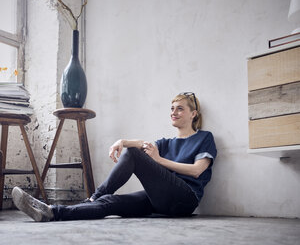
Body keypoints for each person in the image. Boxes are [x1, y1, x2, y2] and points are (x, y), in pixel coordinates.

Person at [12, 92, 217, 221]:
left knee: (132, 156)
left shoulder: (204, 138)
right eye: (172, 108)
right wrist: (122, 141)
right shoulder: (167, 143)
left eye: (180, 108)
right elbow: (142, 145)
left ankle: (94, 195)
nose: (174, 112)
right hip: (161, 201)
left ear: (194, 114)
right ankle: (52, 212)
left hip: (185, 199)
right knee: (110, 202)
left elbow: (198, 170)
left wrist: (158, 160)